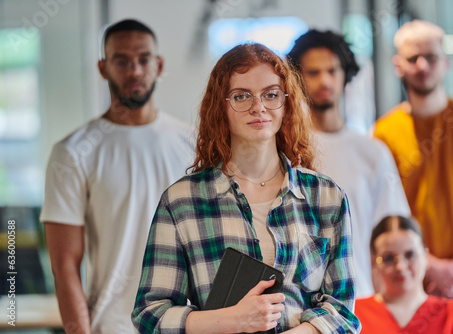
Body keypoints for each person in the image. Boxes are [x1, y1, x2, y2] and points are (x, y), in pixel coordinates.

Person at [132, 43, 360, 334]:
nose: (259, 107)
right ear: (220, 106)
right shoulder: (181, 202)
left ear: (286, 103)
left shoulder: (326, 197)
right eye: (241, 96)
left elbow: (342, 312)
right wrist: (232, 320)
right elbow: (149, 315)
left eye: (271, 95)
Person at [40, 19, 194, 333]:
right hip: (111, 326)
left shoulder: (195, 144)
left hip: (187, 324)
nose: (134, 70)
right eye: (121, 61)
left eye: (143, 59)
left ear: (159, 64)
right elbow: (64, 265)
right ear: (102, 68)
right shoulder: (72, 153)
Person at [373, 19, 453, 333]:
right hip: (416, 285)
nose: (422, 65)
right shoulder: (383, 134)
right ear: (397, 65)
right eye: (412, 58)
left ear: (446, 63)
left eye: (430, 57)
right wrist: (431, 265)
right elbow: (388, 214)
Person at [287, 29, 410, 298]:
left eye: (332, 70)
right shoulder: (287, 151)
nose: (324, 80)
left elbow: (393, 229)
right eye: (313, 72)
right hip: (299, 300)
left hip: (362, 295)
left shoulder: (373, 152)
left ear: (346, 75)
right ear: (297, 79)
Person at [355, 216, 453, 333]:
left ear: (425, 257)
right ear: (373, 263)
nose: (400, 266)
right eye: (388, 258)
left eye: (410, 255)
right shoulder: (354, 314)